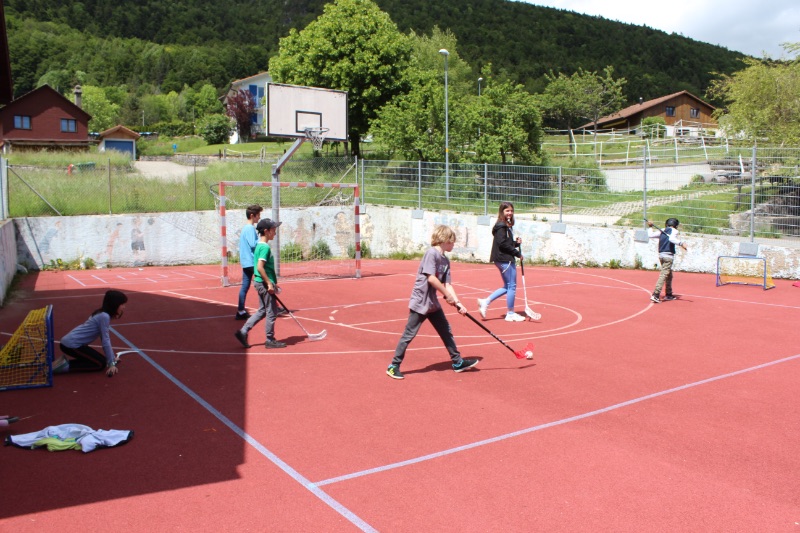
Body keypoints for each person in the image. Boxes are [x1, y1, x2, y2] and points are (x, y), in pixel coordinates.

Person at [386, 225, 479, 380]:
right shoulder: (431, 253)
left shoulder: (446, 260)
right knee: (409, 334)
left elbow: (448, 285)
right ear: (445, 239)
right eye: (452, 241)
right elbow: (431, 278)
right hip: (420, 301)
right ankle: (393, 366)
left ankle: (457, 362)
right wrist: (447, 295)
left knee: (446, 331)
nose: (453, 244)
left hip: (433, 303)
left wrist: (458, 303)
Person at [234, 218, 286, 349]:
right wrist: (269, 283)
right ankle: (270, 340)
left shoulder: (259, 245)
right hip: (263, 283)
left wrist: (271, 282)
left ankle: (243, 331)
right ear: (266, 231)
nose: (275, 232)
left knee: (262, 310)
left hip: (259, 282)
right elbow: (260, 267)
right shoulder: (265, 248)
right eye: (273, 230)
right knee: (272, 312)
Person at [52, 290, 128, 377]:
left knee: (101, 360)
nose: (124, 307)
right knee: (100, 364)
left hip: (72, 343)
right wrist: (111, 364)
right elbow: (105, 340)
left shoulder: (100, 313)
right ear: (114, 304)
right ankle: (62, 366)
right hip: (71, 345)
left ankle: (62, 363)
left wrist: (112, 359)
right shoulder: (104, 316)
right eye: (122, 304)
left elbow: (104, 339)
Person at [477, 201, 526, 322]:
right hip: (505, 259)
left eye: (511, 211)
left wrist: (515, 243)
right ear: (502, 211)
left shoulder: (505, 226)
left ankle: (485, 302)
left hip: (502, 258)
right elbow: (502, 244)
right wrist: (517, 253)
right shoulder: (502, 226)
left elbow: (505, 243)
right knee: (512, 286)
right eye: (507, 210)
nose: (510, 213)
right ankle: (510, 313)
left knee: (507, 286)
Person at [647, 218, 688, 303]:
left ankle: (668, 294)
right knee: (663, 275)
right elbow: (671, 239)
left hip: (661, 255)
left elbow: (650, 235)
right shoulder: (674, 231)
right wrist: (681, 243)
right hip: (668, 256)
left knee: (669, 275)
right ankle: (656, 294)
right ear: (675, 225)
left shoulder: (662, 230)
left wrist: (650, 227)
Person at [236, 205, 263, 320]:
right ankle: (270, 307)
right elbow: (253, 244)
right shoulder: (250, 228)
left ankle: (241, 311)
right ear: (252, 215)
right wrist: (262, 239)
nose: (259, 217)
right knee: (265, 282)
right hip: (252, 261)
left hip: (246, 262)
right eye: (258, 215)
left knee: (245, 286)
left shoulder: (246, 228)